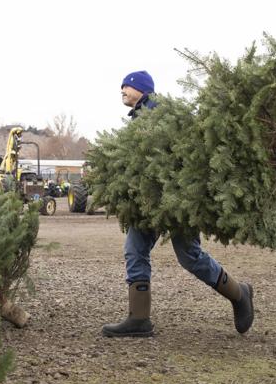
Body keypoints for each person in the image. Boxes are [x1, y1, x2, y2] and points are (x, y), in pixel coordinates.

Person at [102, 70, 254, 338]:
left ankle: (239, 294)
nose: (122, 90)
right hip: (149, 202)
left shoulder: (161, 112)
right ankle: (139, 319)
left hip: (177, 201)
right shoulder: (138, 118)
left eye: (126, 85)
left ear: (141, 88)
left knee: (189, 256)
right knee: (135, 249)